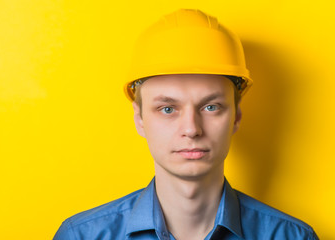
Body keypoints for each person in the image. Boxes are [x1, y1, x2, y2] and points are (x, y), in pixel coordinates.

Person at [54, 9, 319, 240]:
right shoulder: (82, 236)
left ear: (236, 116)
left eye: (211, 107)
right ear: (140, 119)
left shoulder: (291, 237)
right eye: (168, 109)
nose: (191, 129)